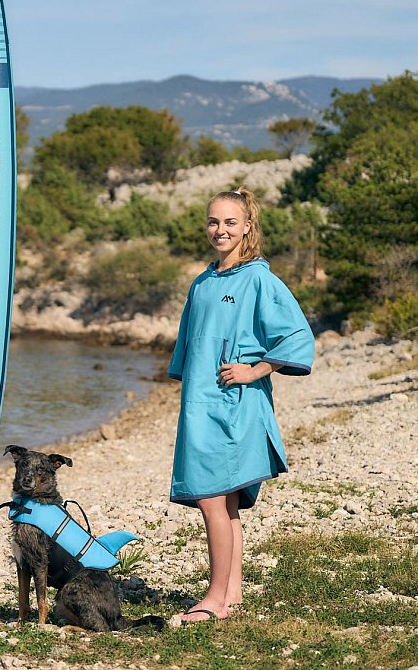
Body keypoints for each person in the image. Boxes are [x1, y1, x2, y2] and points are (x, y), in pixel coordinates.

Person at [167, 186, 313, 623]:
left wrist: (255, 370)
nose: (220, 230)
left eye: (230, 222)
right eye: (214, 221)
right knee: (225, 502)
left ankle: (212, 598)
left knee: (211, 498)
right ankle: (232, 594)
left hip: (235, 404)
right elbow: (188, 346)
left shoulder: (259, 279)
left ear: (248, 226)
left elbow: (296, 335)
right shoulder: (203, 281)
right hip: (200, 403)